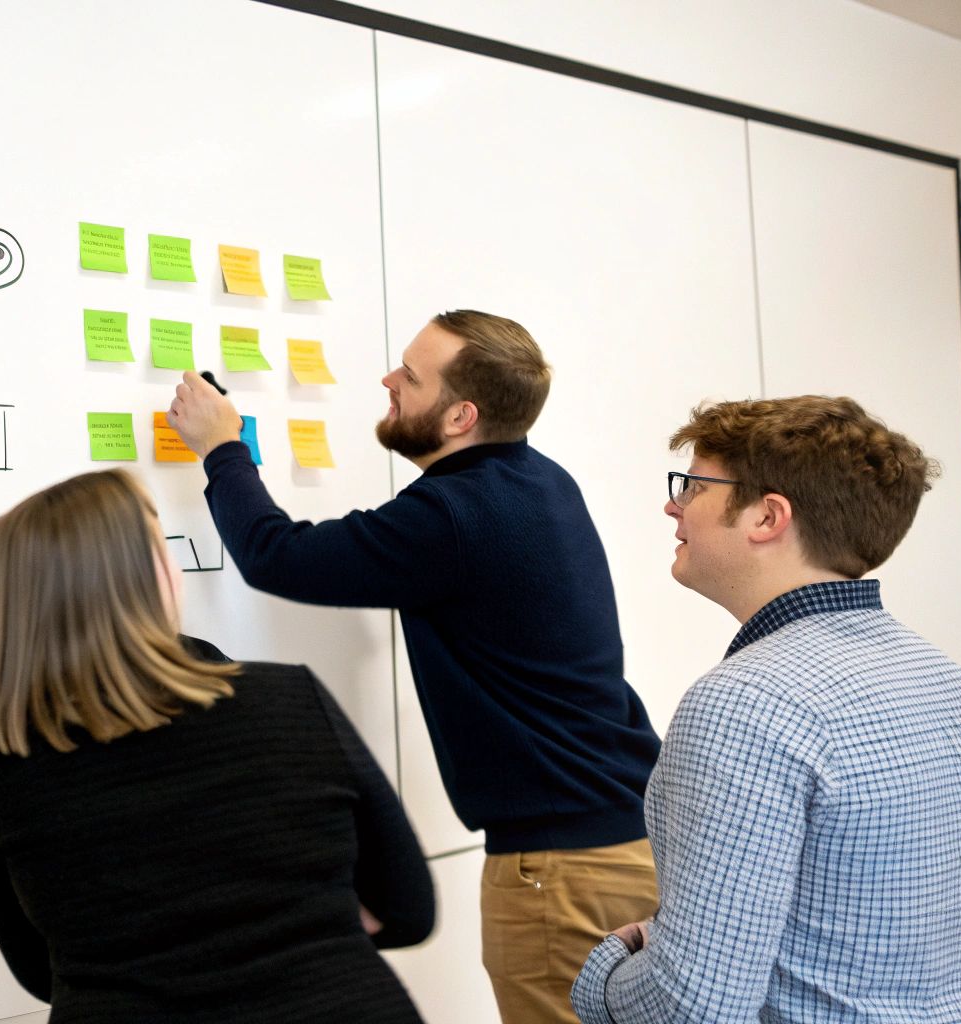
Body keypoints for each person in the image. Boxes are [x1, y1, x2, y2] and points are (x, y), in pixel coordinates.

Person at [168, 310, 662, 1023]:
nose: (387, 380)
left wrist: (222, 447)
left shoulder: (451, 515)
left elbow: (276, 555)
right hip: (632, 842)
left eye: (409, 374)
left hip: (560, 871)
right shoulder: (544, 482)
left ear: (461, 416)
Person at [570, 396, 961, 1023]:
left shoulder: (743, 706)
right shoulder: (959, 693)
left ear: (767, 516)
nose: (674, 506)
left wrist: (603, 973)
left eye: (693, 487)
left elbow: (692, 1009)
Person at [0, 469, 435, 1023]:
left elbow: (37, 969)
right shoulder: (288, 698)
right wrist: (312, 919)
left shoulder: (9, 759)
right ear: (151, 572)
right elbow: (407, 909)